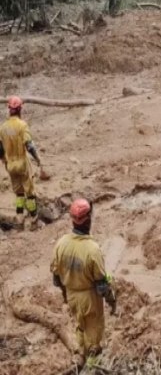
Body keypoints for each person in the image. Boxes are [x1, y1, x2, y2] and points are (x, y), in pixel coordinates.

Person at [51, 199, 116, 368]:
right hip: (89, 298)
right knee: (94, 334)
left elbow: (56, 278)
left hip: (72, 294)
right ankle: (92, 367)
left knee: (80, 326)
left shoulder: (61, 244)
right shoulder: (92, 250)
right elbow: (101, 286)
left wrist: (66, 295)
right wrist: (111, 300)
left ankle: (80, 357)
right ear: (88, 219)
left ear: (73, 220)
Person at [0, 96, 41, 230]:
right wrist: (37, 158)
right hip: (23, 165)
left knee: (18, 193)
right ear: (20, 109)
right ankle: (34, 220)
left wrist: (3, 159)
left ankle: (19, 221)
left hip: (10, 166)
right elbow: (29, 145)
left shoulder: (3, 128)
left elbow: (0, 148)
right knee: (30, 193)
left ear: (9, 110)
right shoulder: (22, 125)